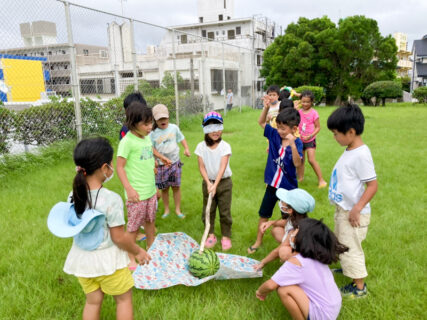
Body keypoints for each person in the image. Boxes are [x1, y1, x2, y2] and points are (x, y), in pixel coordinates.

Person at [54, 137, 151, 320]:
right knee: (123, 300)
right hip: (108, 263)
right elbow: (119, 238)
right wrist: (137, 251)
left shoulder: (73, 195)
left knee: (93, 301)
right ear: (105, 167)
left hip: (82, 261)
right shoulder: (111, 199)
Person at [327, 103, 378, 298]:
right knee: (341, 243)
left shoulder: (361, 154)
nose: (334, 137)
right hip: (344, 210)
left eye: (336, 133)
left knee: (351, 248)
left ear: (351, 131)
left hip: (353, 213)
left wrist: (357, 208)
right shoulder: (350, 149)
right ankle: (347, 269)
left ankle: (359, 287)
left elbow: (372, 186)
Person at [256, 218, 348, 320]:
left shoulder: (297, 262)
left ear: (304, 238)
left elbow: (270, 285)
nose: (293, 232)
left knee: (284, 289)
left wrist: (260, 292)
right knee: (288, 283)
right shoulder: (316, 255)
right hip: (333, 308)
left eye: (296, 230)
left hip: (322, 314)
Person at [117, 102, 171, 270]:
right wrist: (129, 189)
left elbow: (149, 150)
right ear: (133, 124)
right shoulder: (127, 142)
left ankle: (150, 246)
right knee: (133, 227)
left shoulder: (146, 137)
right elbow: (119, 167)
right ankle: (130, 256)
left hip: (149, 191)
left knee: (150, 221)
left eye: (151, 123)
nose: (150, 127)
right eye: (146, 124)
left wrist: (160, 158)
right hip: (137, 194)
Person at [248, 107, 303, 254]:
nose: (280, 131)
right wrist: (266, 108)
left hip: (288, 189)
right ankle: (258, 241)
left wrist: (292, 145)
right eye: (278, 127)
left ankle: (291, 244)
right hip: (272, 186)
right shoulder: (274, 135)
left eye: (283, 128)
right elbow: (261, 122)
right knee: (264, 214)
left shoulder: (297, 144)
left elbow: (298, 164)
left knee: (291, 218)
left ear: (294, 128)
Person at [195, 111, 233, 251]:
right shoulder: (201, 146)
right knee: (208, 210)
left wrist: (216, 184)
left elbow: (222, 167)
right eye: (211, 128)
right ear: (205, 129)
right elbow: (201, 167)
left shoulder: (225, 146)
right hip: (208, 183)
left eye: (218, 127)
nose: (215, 131)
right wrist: (209, 183)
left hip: (224, 183)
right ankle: (210, 234)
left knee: (224, 211)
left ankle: (226, 236)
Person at [254, 188, 314, 271]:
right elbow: (285, 223)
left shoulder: (295, 229)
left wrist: (263, 262)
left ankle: (293, 264)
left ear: (290, 210)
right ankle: (291, 254)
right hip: (299, 248)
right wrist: (271, 222)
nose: (281, 201)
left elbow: (276, 251)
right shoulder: (297, 217)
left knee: (283, 251)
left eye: (284, 201)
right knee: (276, 230)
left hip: (305, 258)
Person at [150, 104, 190, 219]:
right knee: (164, 188)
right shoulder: (153, 133)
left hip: (175, 163)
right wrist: (154, 161)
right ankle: (167, 210)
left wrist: (186, 149)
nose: (163, 121)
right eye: (159, 119)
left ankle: (177, 209)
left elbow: (181, 138)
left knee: (176, 187)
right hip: (162, 166)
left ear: (168, 117)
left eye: (165, 118)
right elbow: (151, 148)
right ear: (155, 120)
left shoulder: (174, 128)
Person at [297, 90, 327, 188]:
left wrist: (310, 135)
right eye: (303, 101)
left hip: (310, 140)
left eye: (307, 102)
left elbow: (318, 127)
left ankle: (321, 180)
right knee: (301, 160)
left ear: (312, 102)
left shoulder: (314, 113)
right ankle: (300, 179)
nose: (305, 104)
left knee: (311, 160)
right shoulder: (299, 112)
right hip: (300, 140)